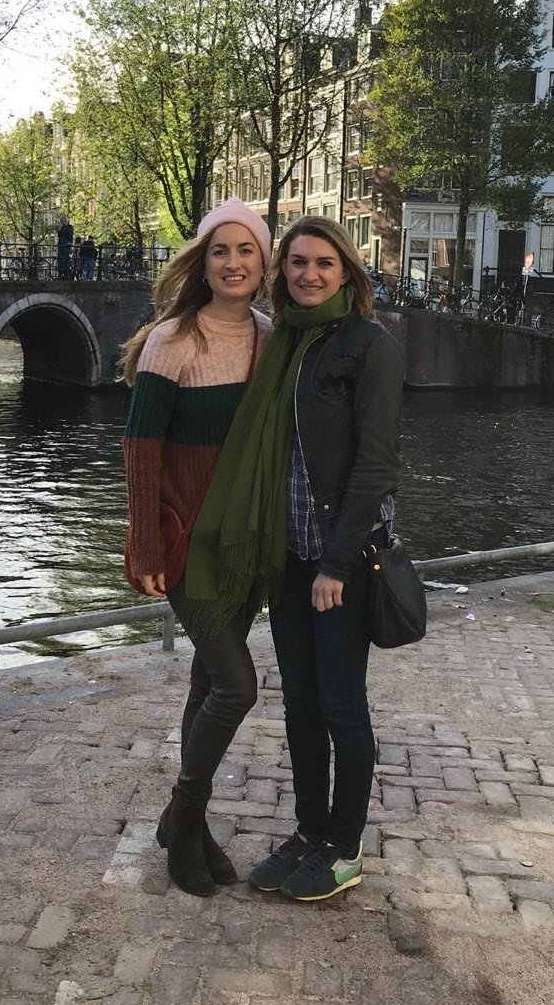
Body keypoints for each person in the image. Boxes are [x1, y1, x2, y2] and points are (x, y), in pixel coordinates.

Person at [205, 215, 399, 902]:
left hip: (337, 562)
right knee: (300, 707)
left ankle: (343, 848)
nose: (308, 274)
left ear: (346, 271)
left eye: (323, 263)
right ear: (281, 272)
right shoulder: (282, 342)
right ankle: (309, 832)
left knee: (343, 706)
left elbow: (374, 465)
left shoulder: (367, 345)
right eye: (296, 263)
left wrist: (337, 565)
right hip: (287, 557)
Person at [121, 200, 272, 897]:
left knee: (209, 683)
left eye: (247, 250)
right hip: (189, 546)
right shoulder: (174, 340)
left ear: (263, 262)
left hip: (246, 546)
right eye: (221, 250)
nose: (234, 262)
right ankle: (184, 819)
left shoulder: (272, 340)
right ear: (202, 262)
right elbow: (141, 447)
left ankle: (186, 821)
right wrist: (146, 542)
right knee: (238, 685)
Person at [56, 214, 74, 279]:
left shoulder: (70, 227)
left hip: (67, 245)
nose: (62, 222)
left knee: (66, 259)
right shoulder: (62, 227)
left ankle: (67, 274)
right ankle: (61, 274)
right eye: (61, 221)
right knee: (60, 259)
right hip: (61, 245)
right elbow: (60, 236)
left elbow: (68, 234)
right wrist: (59, 231)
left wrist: (61, 231)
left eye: (63, 221)